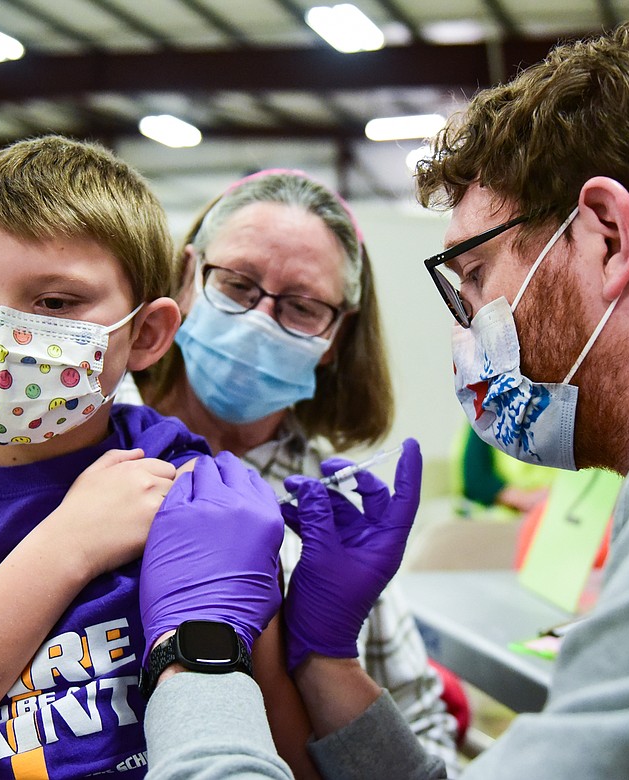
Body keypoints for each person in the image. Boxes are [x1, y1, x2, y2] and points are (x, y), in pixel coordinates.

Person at [134, 20, 629, 779]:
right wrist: (327, 664)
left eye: (475, 276)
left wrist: (197, 652)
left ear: (608, 237)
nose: (468, 330)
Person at [0, 136, 309, 778]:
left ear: (146, 334)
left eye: (56, 303)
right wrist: (68, 545)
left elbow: (264, 721)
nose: (1, 335)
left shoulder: (178, 472)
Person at [130, 168, 462, 771]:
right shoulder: (91, 457)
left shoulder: (329, 510)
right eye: (235, 285)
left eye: (303, 306)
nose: (260, 320)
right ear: (184, 277)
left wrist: (323, 657)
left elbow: (425, 739)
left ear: (335, 338)